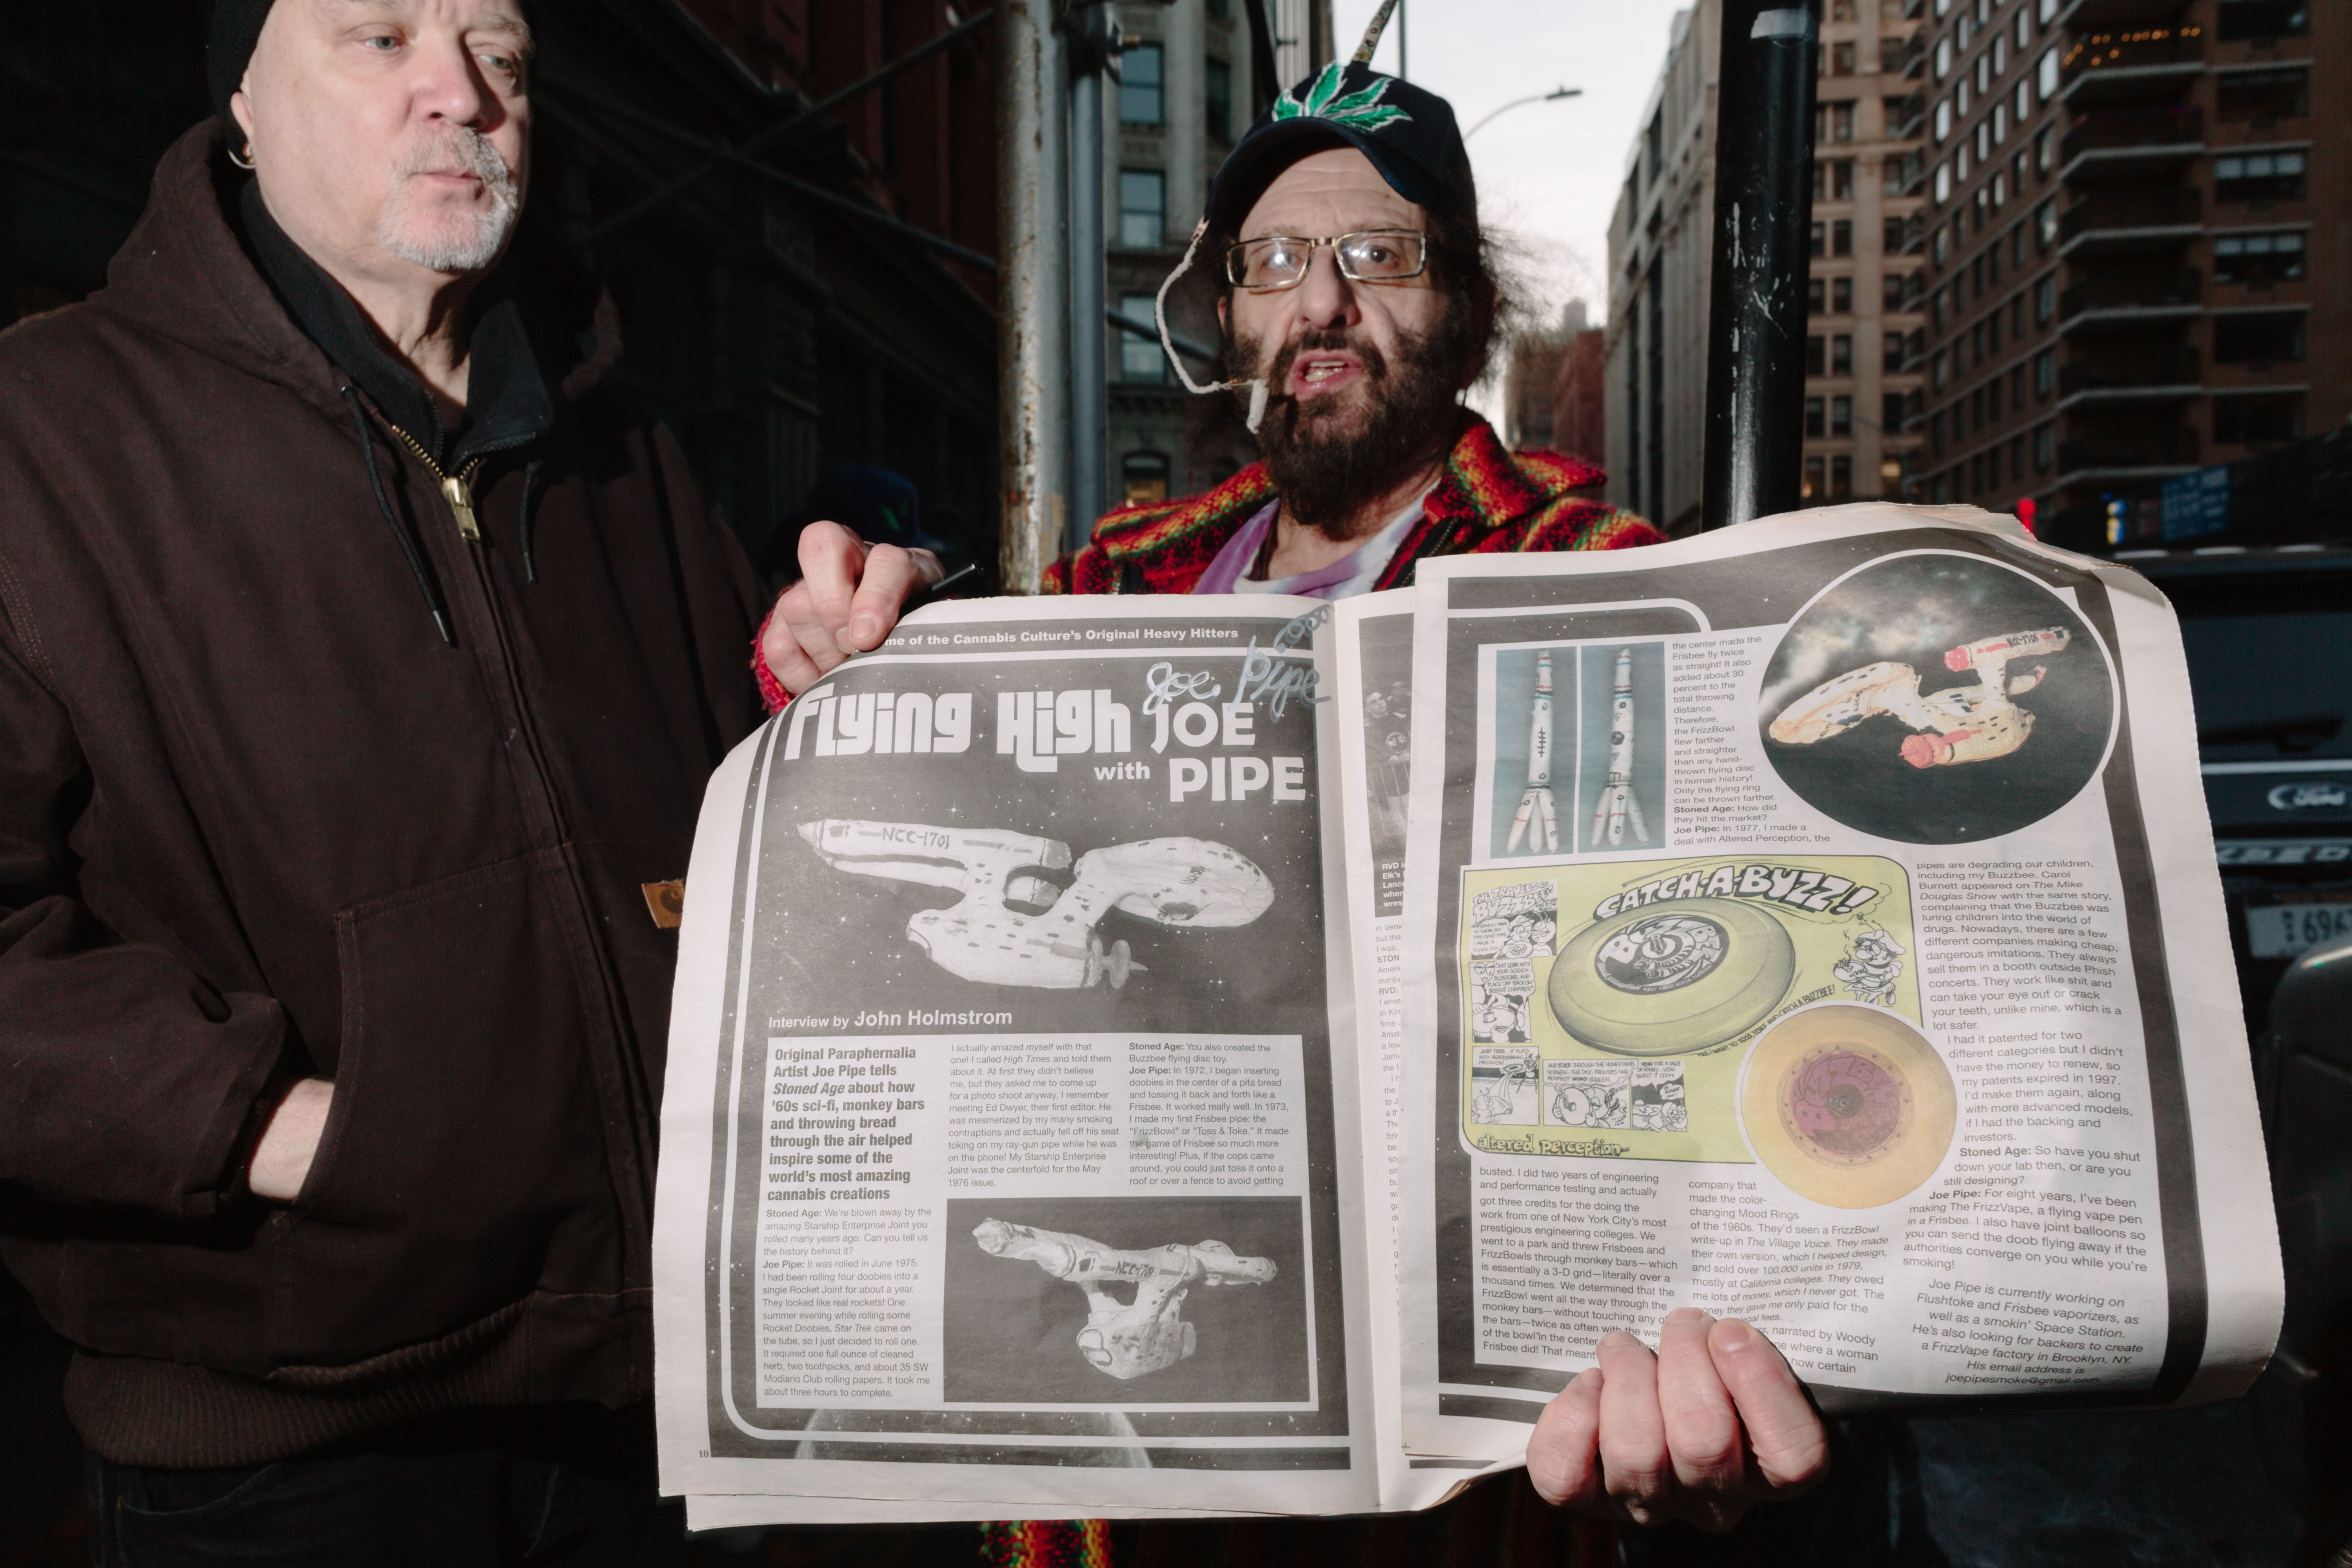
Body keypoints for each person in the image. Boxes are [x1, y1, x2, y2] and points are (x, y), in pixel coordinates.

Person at [764, 60, 1830, 1534]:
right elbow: (930, 810)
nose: (1319, 304)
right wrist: (852, 663)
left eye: (1375, 255)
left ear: (1459, 306)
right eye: (1272, 263)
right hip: (1143, 1452)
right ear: (1232, 321)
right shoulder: (1108, 587)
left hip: (1465, 1458)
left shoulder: (1596, 580)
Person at [0, 2, 923, 1559]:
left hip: (662, 1417)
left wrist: (792, 686)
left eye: (498, 47)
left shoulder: (620, 442)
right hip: (290, 1453)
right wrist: (276, 1129)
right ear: (238, 90)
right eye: (377, 39)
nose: (460, 93)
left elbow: (704, 841)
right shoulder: (47, 438)